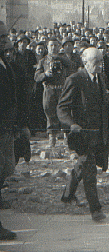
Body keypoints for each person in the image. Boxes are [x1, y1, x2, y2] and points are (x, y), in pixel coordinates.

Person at [57, 48, 109, 222]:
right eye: (95, 62)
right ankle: (95, 209)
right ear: (85, 62)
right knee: (90, 171)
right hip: (81, 134)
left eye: (101, 61)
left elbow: (100, 102)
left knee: (83, 164)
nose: (99, 65)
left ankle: (67, 195)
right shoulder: (75, 80)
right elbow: (62, 108)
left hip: (98, 133)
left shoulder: (100, 78)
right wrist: (71, 124)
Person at [34, 37, 72, 148]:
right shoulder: (43, 61)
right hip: (49, 89)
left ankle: (66, 137)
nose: (53, 48)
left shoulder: (63, 59)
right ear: (47, 47)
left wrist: (60, 59)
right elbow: (36, 76)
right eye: (51, 45)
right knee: (50, 113)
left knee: (64, 112)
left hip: (61, 89)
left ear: (59, 47)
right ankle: (52, 138)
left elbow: (71, 66)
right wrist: (45, 74)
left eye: (56, 45)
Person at [0, 21, 18, 240]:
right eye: (2, 38)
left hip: (5, 127)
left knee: (6, 168)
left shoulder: (5, 62)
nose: (5, 41)